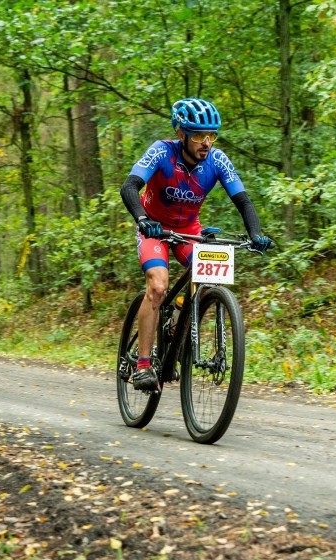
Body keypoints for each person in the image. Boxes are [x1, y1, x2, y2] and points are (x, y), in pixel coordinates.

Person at [120, 97, 272, 392]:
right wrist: (141, 218)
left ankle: (178, 321)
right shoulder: (161, 152)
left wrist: (255, 233)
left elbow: (242, 200)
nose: (207, 142)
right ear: (181, 134)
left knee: (207, 278)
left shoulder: (217, 161)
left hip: (189, 230)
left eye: (211, 135)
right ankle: (142, 365)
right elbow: (129, 186)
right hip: (155, 229)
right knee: (158, 286)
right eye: (199, 135)